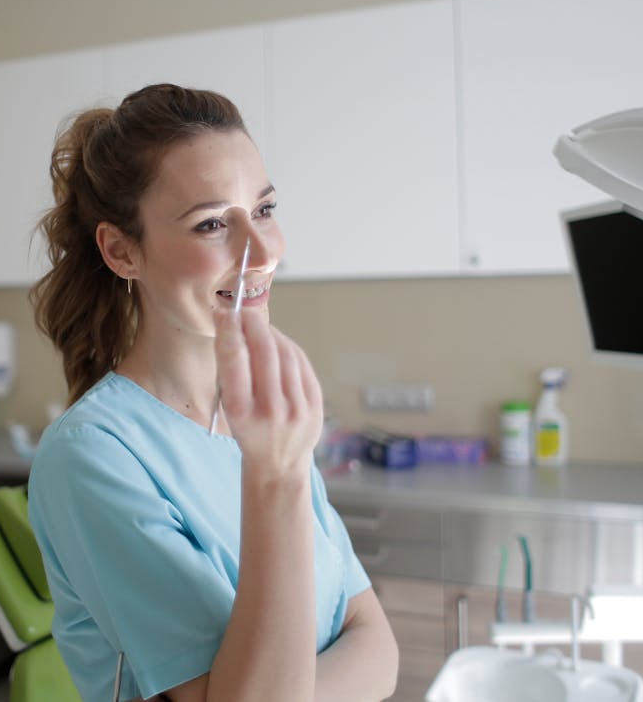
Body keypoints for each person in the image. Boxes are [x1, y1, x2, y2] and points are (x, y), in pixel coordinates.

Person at [27, 84, 399, 701]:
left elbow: (376, 644)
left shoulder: (262, 418)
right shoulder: (94, 456)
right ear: (123, 251)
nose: (262, 250)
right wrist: (275, 478)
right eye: (210, 224)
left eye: (265, 210)